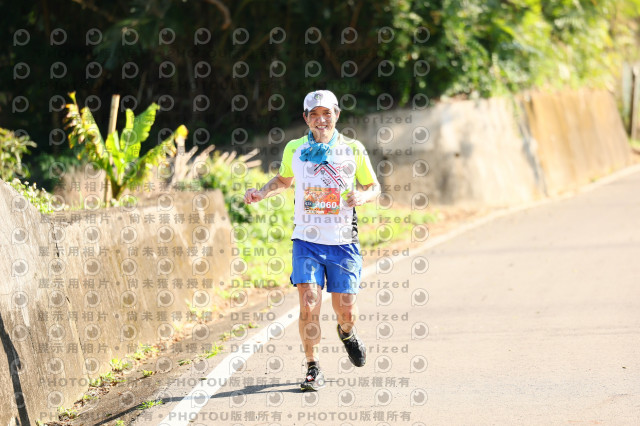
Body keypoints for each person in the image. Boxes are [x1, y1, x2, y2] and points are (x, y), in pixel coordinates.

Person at [243, 90, 380, 391]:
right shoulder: (295, 148)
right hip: (306, 240)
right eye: (314, 114)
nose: (321, 120)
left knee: (346, 310)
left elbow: (374, 186)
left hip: (343, 241)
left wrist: (362, 196)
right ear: (306, 118)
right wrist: (261, 192)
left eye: (326, 113)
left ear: (336, 115)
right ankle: (312, 366)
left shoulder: (353, 149)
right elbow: (283, 180)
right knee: (309, 301)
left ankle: (347, 332)